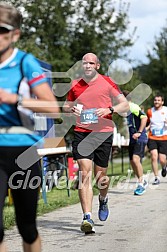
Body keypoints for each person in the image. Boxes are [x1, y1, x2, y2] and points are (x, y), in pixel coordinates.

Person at [0, 2, 59, 252]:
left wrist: (16, 99)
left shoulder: (25, 62)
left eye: (2, 31)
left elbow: (52, 108)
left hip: (23, 151)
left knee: (27, 227)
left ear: (15, 34)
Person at [63, 53, 129, 234]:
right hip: (82, 133)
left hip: (103, 133)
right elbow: (66, 106)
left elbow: (125, 105)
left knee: (101, 178)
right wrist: (72, 109)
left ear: (97, 66)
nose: (88, 66)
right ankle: (87, 217)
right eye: (85, 63)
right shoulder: (75, 84)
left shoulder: (108, 82)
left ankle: (103, 198)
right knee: (85, 173)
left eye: (91, 63)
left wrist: (109, 109)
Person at [123, 90, 148, 195]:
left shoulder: (132, 107)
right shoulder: (126, 109)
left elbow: (144, 117)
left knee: (136, 159)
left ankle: (141, 184)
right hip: (132, 139)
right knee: (133, 162)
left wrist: (139, 132)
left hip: (140, 137)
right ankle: (142, 181)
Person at [147, 94, 167, 185]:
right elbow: (147, 123)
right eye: (155, 100)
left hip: (164, 137)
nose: (156, 102)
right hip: (152, 137)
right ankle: (156, 177)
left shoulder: (166, 110)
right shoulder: (150, 111)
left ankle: (164, 167)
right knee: (154, 156)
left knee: (162, 159)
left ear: (162, 102)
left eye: (159, 100)